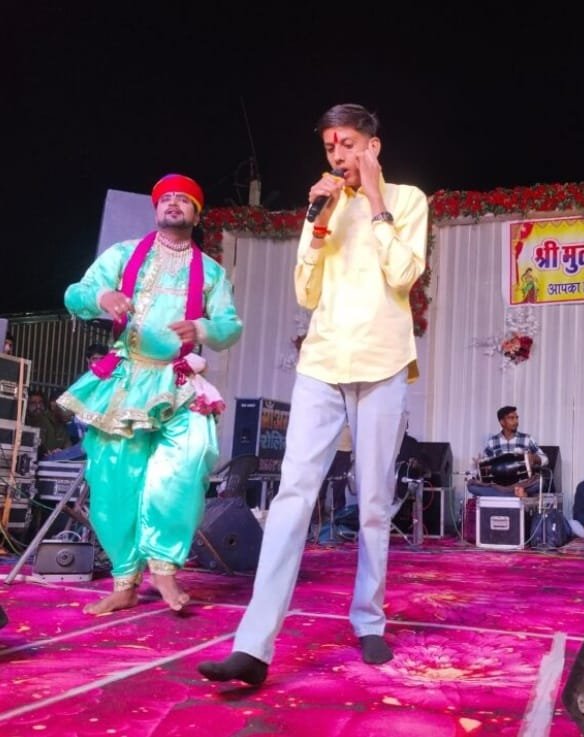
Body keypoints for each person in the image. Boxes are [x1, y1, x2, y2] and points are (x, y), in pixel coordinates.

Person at [198, 103, 427, 685]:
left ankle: (369, 620)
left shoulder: (407, 200)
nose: (338, 156)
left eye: (347, 144)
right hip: (322, 362)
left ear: (373, 145)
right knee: (293, 495)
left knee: (372, 500)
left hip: (382, 363)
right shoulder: (324, 207)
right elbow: (306, 290)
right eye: (330, 147)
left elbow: (404, 275)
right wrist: (317, 222)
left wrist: (374, 201)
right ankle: (254, 646)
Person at [56, 173, 243, 615]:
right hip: (125, 379)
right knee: (114, 479)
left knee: (190, 459)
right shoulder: (123, 255)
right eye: (166, 199)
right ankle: (125, 580)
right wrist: (102, 296)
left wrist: (201, 328)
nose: (173, 204)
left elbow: (230, 326)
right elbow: (75, 294)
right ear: (157, 209)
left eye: (184, 200)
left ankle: (164, 567)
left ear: (197, 214)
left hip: (178, 381)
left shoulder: (211, 271)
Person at [466, 405, 549, 497]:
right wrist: (477, 465)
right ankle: (518, 495)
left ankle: (507, 495)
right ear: (502, 422)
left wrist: (534, 458)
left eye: (517, 418)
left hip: (522, 484)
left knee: (540, 483)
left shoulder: (527, 439)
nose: (516, 421)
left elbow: (545, 459)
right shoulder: (493, 441)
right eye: (511, 418)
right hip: (499, 486)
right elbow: (484, 465)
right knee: (471, 486)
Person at [26, 389, 72, 458]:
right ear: (53, 405)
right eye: (66, 407)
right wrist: (50, 453)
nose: (71, 412)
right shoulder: (40, 421)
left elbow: (69, 449)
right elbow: (38, 449)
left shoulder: (64, 426)